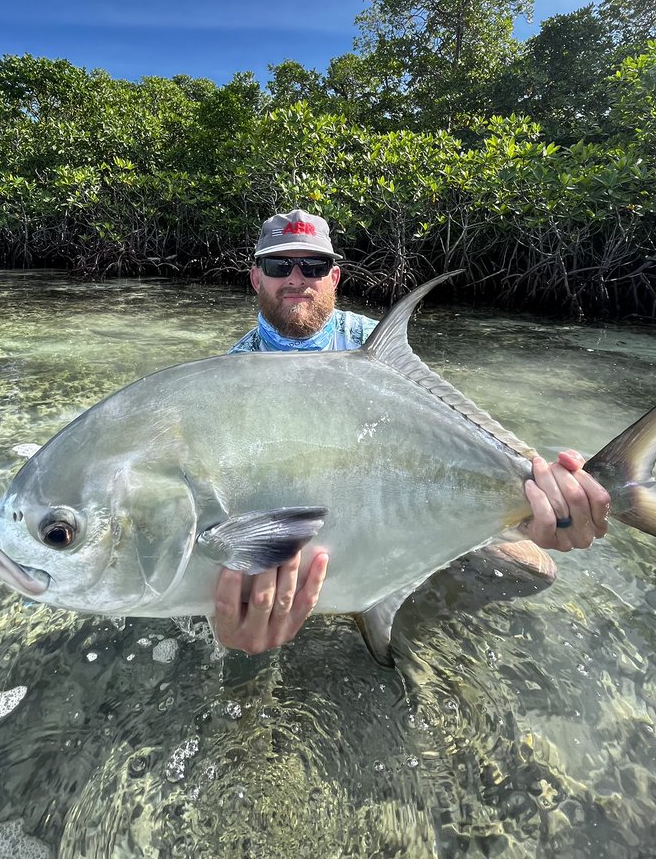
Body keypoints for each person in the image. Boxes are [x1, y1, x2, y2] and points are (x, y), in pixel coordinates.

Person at [214, 208, 610, 656]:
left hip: (396, 509)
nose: (297, 278)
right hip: (303, 532)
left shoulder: (371, 344)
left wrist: (534, 496)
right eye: (278, 265)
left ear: (335, 276)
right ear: (256, 278)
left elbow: (448, 438)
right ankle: (345, 600)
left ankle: (399, 613)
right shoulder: (232, 376)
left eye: (314, 265)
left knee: (532, 569)